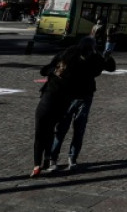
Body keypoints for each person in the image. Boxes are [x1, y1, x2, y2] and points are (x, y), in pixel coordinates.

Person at [47, 36, 116, 171]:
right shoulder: (71, 55)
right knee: (62, 129)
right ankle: (53, 159)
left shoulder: (94, 57)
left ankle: (71, 159)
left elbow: (110, 67)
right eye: (89, 49)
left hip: (84, 97)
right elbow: (55, 67)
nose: (90, 52)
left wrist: (107, 57)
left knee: (78, 129)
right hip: (69, 96)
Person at [31, 47, 76, 177]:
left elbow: (43, 71)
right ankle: (47, 158)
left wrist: (53, 69)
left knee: (39, 135)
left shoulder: (53, 73)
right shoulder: (71, 77)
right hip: (60, 107)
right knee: (50, 132)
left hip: (46, 105)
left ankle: (36, 165)